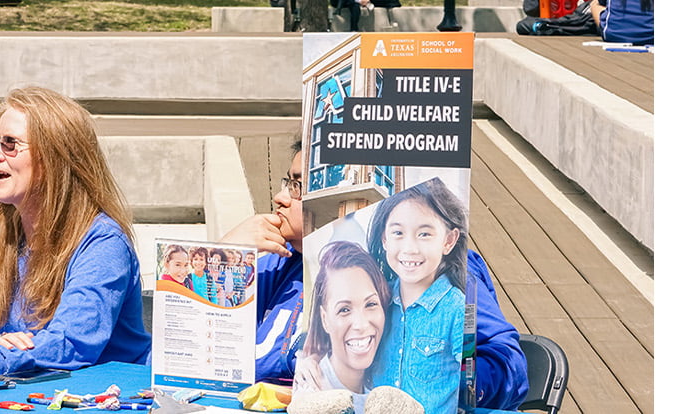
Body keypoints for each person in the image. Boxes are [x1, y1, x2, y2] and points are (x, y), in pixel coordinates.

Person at [221, 142, 528, 411]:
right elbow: (198, 339)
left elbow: (508, 366)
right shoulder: (280, 260)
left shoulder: (437, 271)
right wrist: (226, 255)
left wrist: (444, 381)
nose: (279, 197)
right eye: (288, 182)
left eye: (297, 187)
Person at [0, 87, 151, 384]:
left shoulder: (103, 243)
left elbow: (72, 341)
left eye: (10, 144)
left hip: (112, 393)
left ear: (55, 157)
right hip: (32, 386)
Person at [365, 178, 468, 414]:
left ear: (449, 241)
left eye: (424, 234)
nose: (410, 248)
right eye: (398, 232)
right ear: (384, 239)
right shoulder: (376, 299)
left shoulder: (456, 308)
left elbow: (472, 379)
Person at [295, 241, 392, 413]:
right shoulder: (310, 393)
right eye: (344, 309)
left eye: (370, 304)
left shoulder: (388, 386)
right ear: (325, 319)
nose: (361, 324)